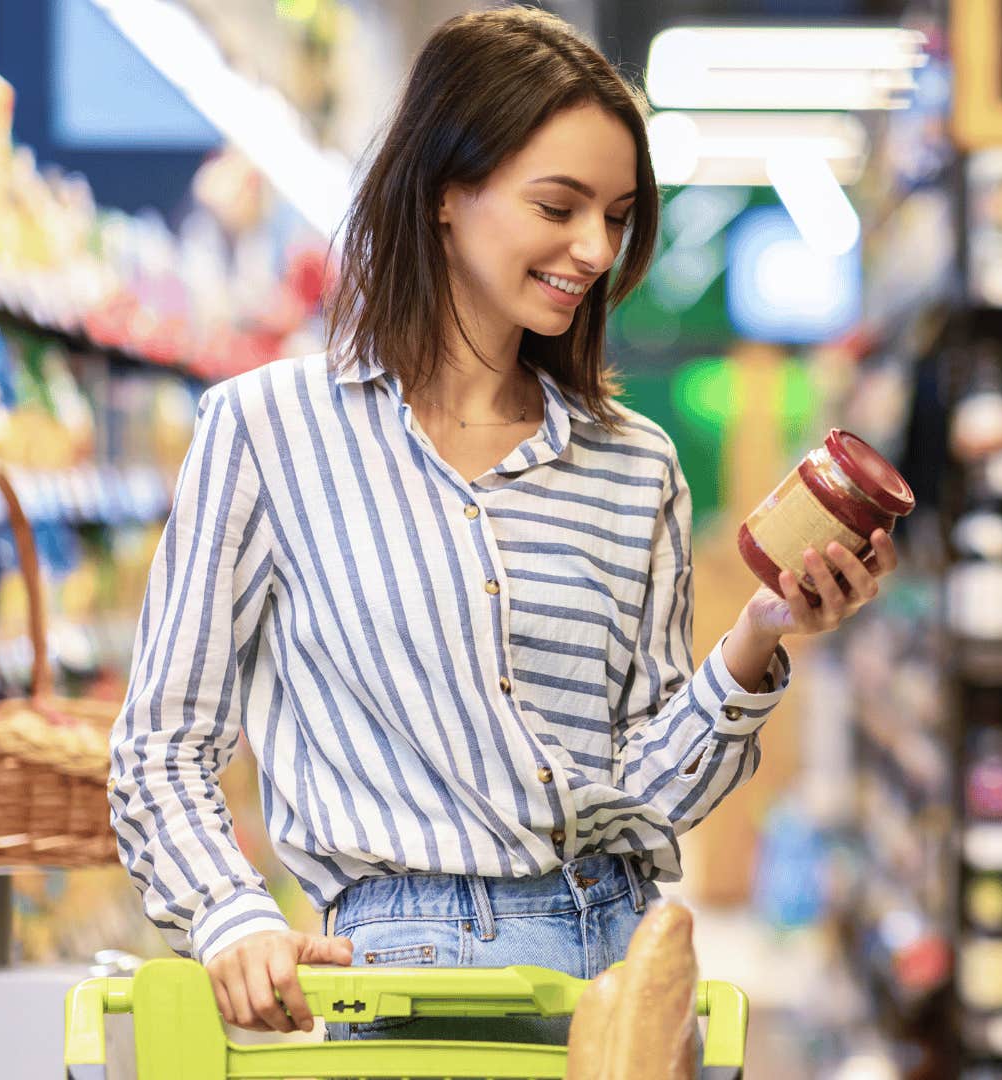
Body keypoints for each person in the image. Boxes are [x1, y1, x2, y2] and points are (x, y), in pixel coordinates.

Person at [107, 5, 899, 1042]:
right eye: (559, 205)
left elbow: (646, 796)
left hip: (623, 977)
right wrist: (229, 916)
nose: (594, 247)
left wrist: (759, 636)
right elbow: (161, 747)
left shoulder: (636, 467)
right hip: (406, 987)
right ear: (446, 192)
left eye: (616, 216)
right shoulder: (267, 430)